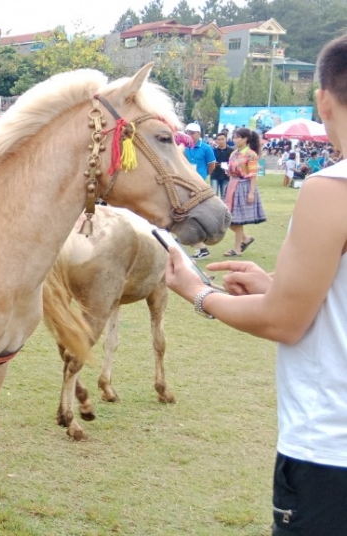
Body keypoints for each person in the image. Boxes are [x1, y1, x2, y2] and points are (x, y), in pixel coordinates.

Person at [163, 33, 347, 536]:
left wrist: (197, 293)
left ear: (323, 100)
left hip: (330, 453)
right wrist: (278, 284)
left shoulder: (331, 190)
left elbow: (285, 322)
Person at [222, 127, 266, 257]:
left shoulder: (251, 154)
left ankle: (237, 249)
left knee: (237, 219)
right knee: (228, 218)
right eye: (234, 137)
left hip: (243, 186)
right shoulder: (234, 153)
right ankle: (245, 239)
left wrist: (251, 192)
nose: (234, 140)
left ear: (245, 139)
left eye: (237, 137)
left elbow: (253, 174)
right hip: (232, 185)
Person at [183, 123, 218, 259]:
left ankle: (201, 246)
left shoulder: (206, 148)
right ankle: (199, 245)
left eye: (192, 133)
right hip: (185, 183)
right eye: (188, 133)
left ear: (199, 134)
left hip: (198, 184)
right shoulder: (183, 148)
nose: (190, 135)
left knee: (191, 215)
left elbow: (211, 165)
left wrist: (202, 177)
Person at [211, 132, 233, 199]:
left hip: (226, 176)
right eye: (219, 139)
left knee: (225, 196)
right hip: (215, 175)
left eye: (222, 139)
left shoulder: (231, 151)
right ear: (216, 141)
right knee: (214, 196)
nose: (220, 141)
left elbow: (232, 163)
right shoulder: (213, 151)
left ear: (226, 139)